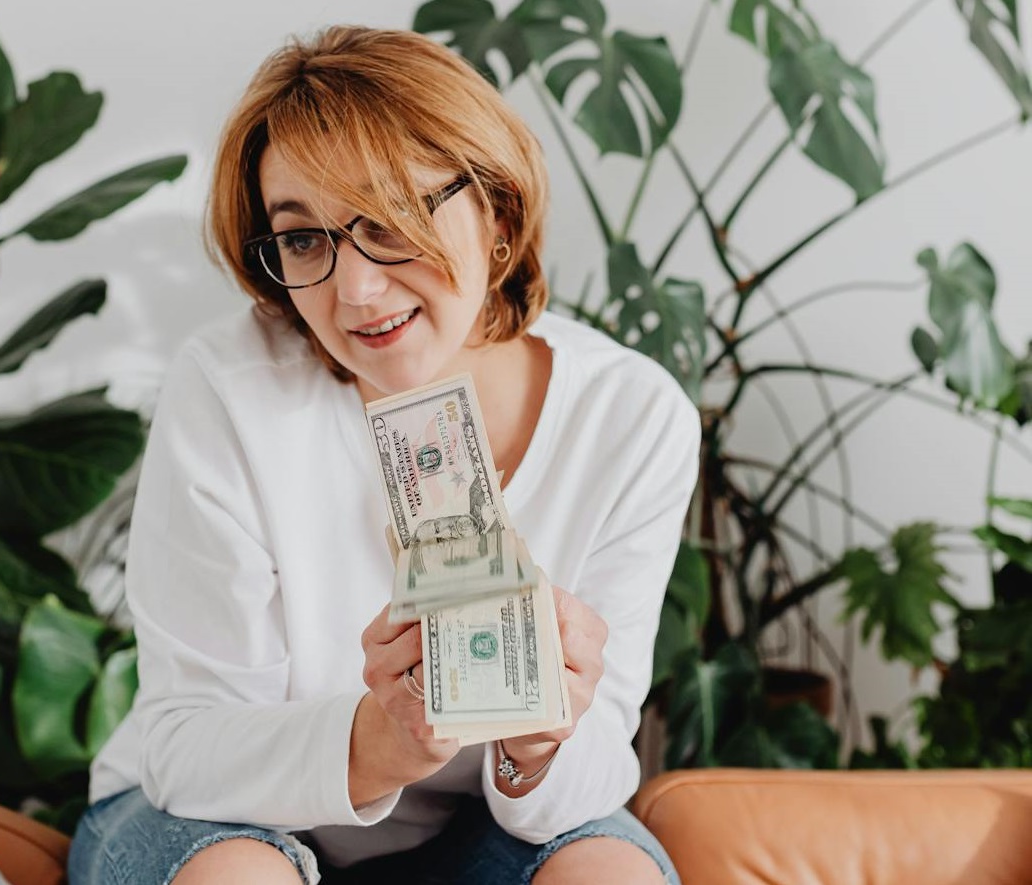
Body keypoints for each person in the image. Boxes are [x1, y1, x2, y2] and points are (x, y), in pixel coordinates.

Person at [67, 24, 700, 885]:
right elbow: (185, 745)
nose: (355, 290)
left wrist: (540, 742)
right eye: (303, 239)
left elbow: (591, 774)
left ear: (499, 213)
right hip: (215, 818)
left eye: (393, 219)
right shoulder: (228, 388)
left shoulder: (629, 416)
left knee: (606, 872)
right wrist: (377, 739)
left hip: (479, 831)